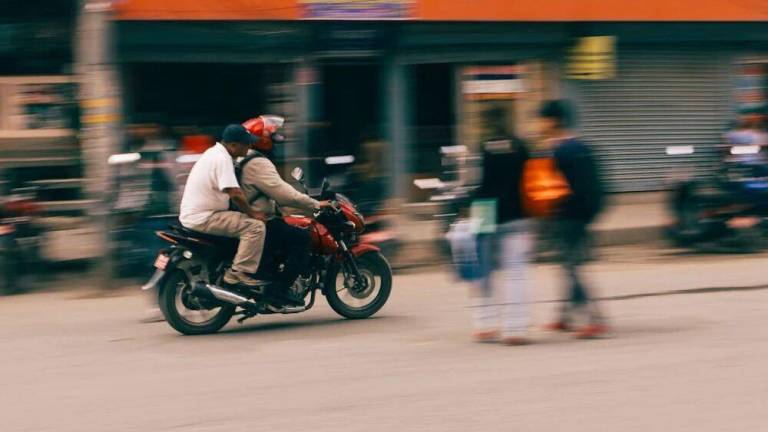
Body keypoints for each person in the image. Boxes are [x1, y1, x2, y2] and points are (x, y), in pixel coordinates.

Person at [240, 116, 333, 304]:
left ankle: (272, 277)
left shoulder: (247, 158)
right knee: (302, 239)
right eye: (273, 138)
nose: (276, 142)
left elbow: (273, 193)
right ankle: (279, 290)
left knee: (289, 229)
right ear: (263, 139)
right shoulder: (258, 163)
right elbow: (283, 193)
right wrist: (315, 204)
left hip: (254, 216)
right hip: (262, 220)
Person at [539, 100, 608, 339]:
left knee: (571, 267)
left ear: (553, 121)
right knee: (568, 266)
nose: (539, 124)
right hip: (581, 215)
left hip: (569, 216)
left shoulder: (562, 151)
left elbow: (558, 188)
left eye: (543, 119)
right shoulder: (582, 147)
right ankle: (565, 316)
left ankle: (596, 319)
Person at [178, 124, 269, 290]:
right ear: (233, 145)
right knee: (255, 227)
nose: (250, 147)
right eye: (246, 144)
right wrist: (253, 213)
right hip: (205, 217)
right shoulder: (222, 158)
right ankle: (238, 273)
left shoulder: (213, 153)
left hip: (196, 215)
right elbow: (234, 193)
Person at [470, 106, 532, 345]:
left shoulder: (485, 147)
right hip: (517, 213)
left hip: (486, 212)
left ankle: (484, 325)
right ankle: (514, 329)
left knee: (484, 272)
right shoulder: (520, 146)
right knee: (516, 274)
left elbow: (482, 183)